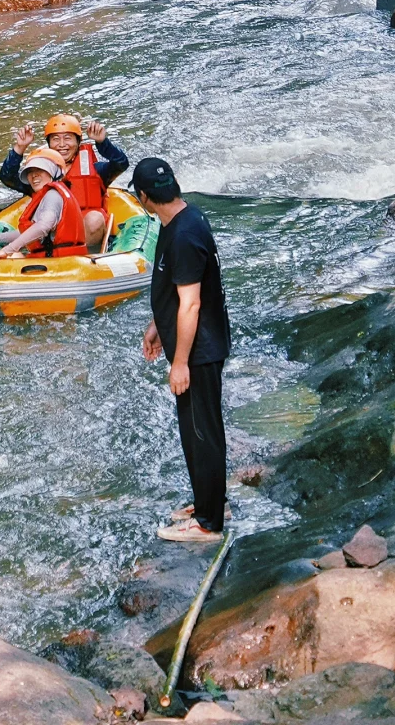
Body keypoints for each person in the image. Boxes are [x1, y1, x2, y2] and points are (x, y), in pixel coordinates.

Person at [135, 157, 231, 545]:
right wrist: (158, 325)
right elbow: (177, 290)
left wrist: (179, 363)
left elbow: (191, 304)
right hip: (195, 342)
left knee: (200, 432)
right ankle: (208, 501)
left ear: (143, 197)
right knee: (198, 431)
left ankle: (209, 522)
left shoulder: (185, 234)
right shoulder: (181, 219)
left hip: (199, 350)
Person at [0, 114, 128, 250]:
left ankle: (86, 259)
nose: (61, 145)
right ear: (49, 144)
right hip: (52, 231)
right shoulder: (41, 175)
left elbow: (121, 163)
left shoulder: (97, 170)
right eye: (55, 139)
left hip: (86, 235)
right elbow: (8, 178)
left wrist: (103, 143)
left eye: (68, 138)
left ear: (78, 142)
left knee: (94, 219)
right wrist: (20, 148)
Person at [0, 147, 87, 258]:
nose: (34, 175)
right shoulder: (45, 196)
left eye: (41, 169)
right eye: (30, 172)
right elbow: (26, 233)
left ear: (55, 172)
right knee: (14, 254)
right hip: (54, 259)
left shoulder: (52, 195)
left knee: (13, 256)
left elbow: (44, 226)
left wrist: (7, 250)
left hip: (61, 263)